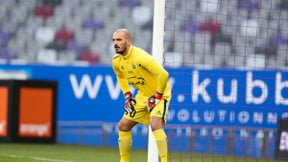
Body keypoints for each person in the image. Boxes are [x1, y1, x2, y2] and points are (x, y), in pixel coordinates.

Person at [112, 28, 171, 162]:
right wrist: (127, 95)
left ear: (128, 42)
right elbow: (120, 76)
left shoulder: (140, 57)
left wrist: (157, 97)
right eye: (114, 40)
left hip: (160, 94)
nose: (115, 43)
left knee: (155, 123)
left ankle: (164, 160)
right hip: (143, 95)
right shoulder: (116, 61)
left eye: (119, 40)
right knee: (123, 126)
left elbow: (164, 74)